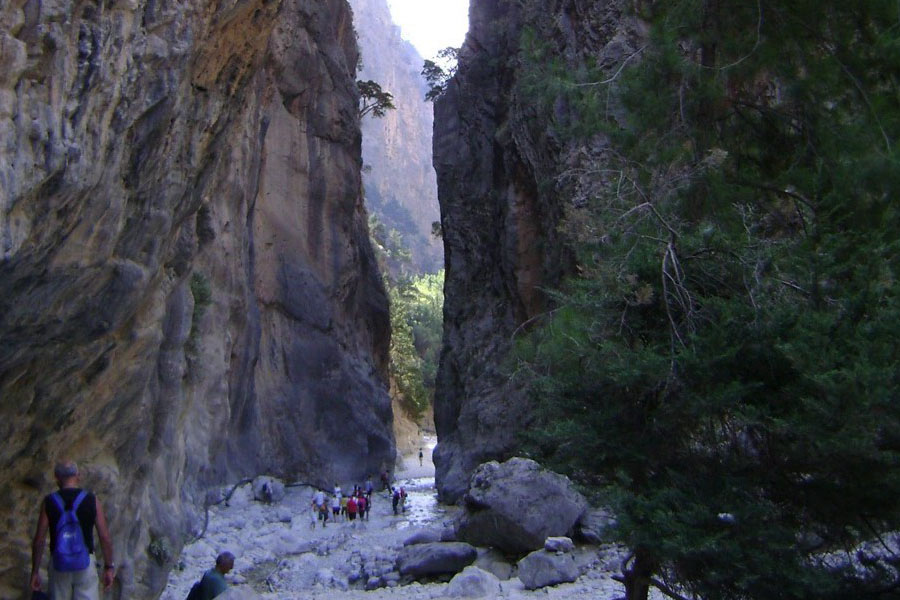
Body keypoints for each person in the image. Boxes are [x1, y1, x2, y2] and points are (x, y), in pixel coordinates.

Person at [30, 461, 116, 600]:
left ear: (56, 477)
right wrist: (109, 567)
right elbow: (105, 537)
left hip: (59, 564)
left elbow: (39, 540)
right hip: (85, 563)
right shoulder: (92, 500)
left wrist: (35, 571)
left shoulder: (49, 502)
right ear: (78, 476)